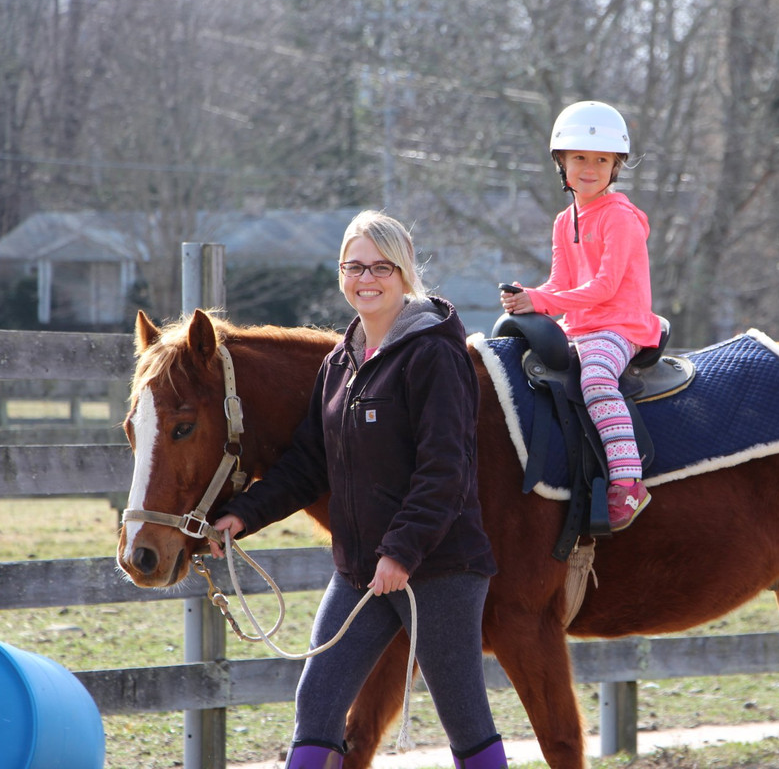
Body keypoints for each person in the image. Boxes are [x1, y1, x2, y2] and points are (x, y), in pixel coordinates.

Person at [210, 210, 506, 769]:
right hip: (359, 573)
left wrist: (402, 551)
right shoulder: (338, 365)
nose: (365, 278)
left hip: (439, 569)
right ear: (340, 274)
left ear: (405, 272)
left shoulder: (436, 354)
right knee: (315, 705)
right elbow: (307, 464)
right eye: (354, 267)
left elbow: (445, 469)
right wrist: (244, 514)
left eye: (380, 267)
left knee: (463, 716)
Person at [500, 100, 662, 532]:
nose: (589, 168)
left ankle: (628, 481)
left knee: (594, 379)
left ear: (616, 166)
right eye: (579, 158)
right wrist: (529, 298)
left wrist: (544, 303)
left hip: (619, 325)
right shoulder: (563, 219)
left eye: (601, 159)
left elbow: (606, 288)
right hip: (580, 326)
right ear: (561, 163)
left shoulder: (620, 218)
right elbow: (558, 283)